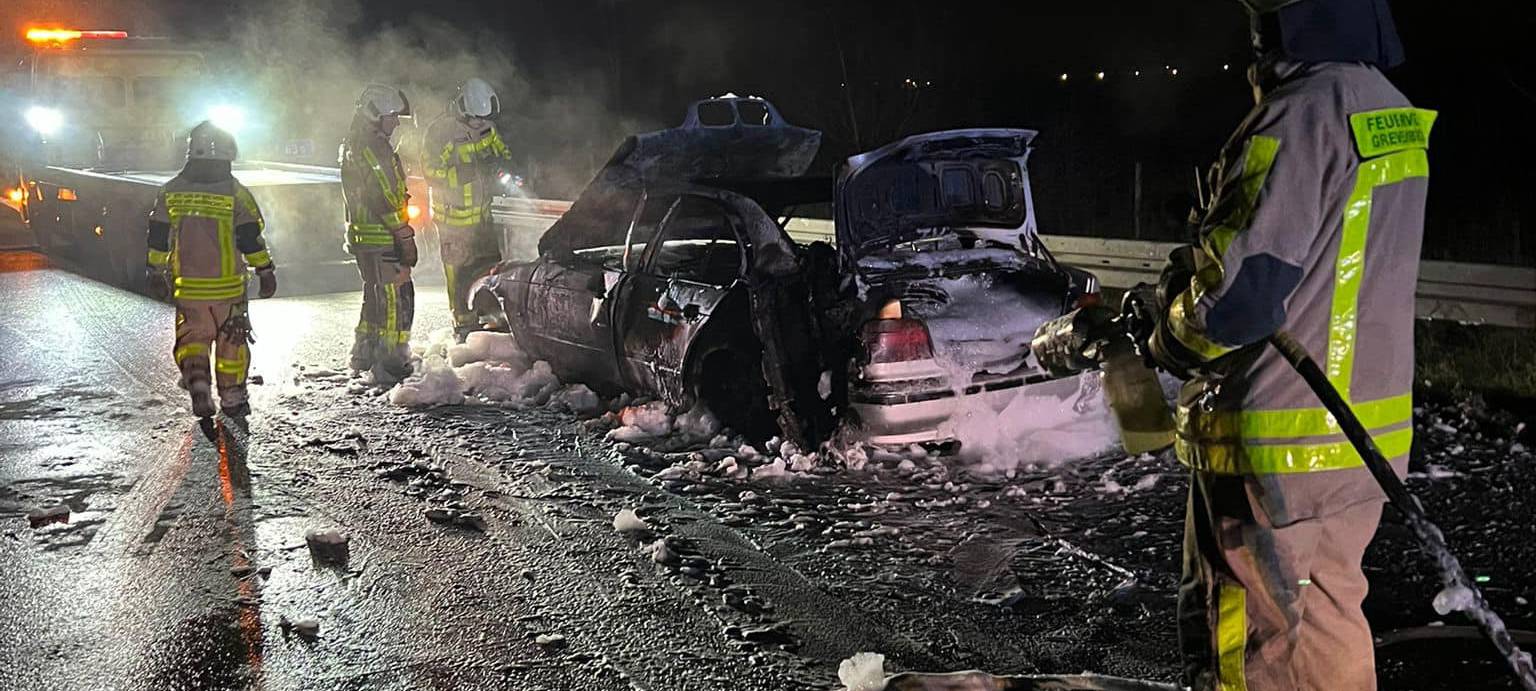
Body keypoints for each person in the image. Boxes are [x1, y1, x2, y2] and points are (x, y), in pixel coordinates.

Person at [1145, 0, 1433, 688]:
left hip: (1277, 446)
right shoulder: (1389, 110)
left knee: (1256, 646)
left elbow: (1237, 299)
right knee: (1331, 618)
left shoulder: (1297, 114)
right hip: (1362, 440)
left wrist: (1167, 338)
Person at [147, 121, 277, 418]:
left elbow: (157, 236)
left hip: (189, 288)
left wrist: (154, 271)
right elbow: (249, 238)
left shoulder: (171, 191)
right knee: (232, 344)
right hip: (228, 288)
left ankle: (198, 383)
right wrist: (265, 270)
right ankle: (232, 398)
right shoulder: (235, 192)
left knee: (192, 339)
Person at [421, 77, 514, 341]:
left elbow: (504, 154)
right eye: (475, 119)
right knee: (458, 272)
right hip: (453, 218)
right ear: (462, 110)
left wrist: (503, 164)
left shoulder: (487, 128)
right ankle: (462, 322)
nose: (480, 125)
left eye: (485, 120)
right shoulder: (440, 132)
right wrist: (463, 173)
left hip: (482, 214)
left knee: (489, 266)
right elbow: (430, 171)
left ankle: (490, 317)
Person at [340, 84, 417, 380]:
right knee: (396, 299)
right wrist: (403, 233)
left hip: (363, 235)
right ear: (376, 115)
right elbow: (384, 193)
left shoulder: (354, 143)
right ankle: (391, 362)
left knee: (374, 297)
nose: (396, 122)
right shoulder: (375, 146)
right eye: (392, 116)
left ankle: (364, 353)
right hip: (382, 235)